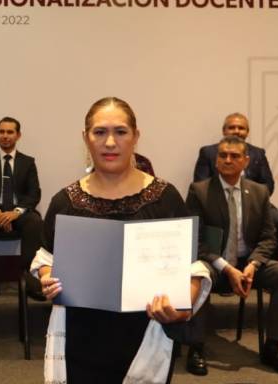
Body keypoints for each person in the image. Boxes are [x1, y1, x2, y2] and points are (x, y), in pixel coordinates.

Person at [33, 96, 211, 383]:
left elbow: (194, 266)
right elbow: (46, 258)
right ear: (85, 138)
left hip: (146, 340)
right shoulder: (65, 202)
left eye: (120, 132)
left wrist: (180, 309)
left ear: (136, 136)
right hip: (81, 339)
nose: (110, 142)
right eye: (99, 132)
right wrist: (47, 278)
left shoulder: (165, 198)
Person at [186, 135, 278, 374]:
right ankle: (196, 347)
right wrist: (227, 268)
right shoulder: (200, 191)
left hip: (248, 264)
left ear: (246, 161)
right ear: (216, 159)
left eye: (234, 156)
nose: (228, 160)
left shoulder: (259, 192)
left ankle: (272, 345)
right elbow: (195, 239)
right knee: (198, 274)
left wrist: (253, 265)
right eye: (223, 155)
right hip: (215, 264)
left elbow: (269, 238)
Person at [0, 116, 44, 301]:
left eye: (10, 132)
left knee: (35, 222)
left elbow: (34, 193)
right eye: (1, 131)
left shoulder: (28, 162)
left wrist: (16, 212)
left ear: (18, 135)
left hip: (18, 212)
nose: (5, 136)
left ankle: (31, 281)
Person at [193, 113, 274, 194]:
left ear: (247, 132)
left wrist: (248, 198)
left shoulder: (258, 154)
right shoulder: (208, 152)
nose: (236, 131)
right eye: (231, 128)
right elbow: (201, 185)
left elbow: (268, 186)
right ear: (224, 131)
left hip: (250, 200)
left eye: (241, 128)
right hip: (216, 200)